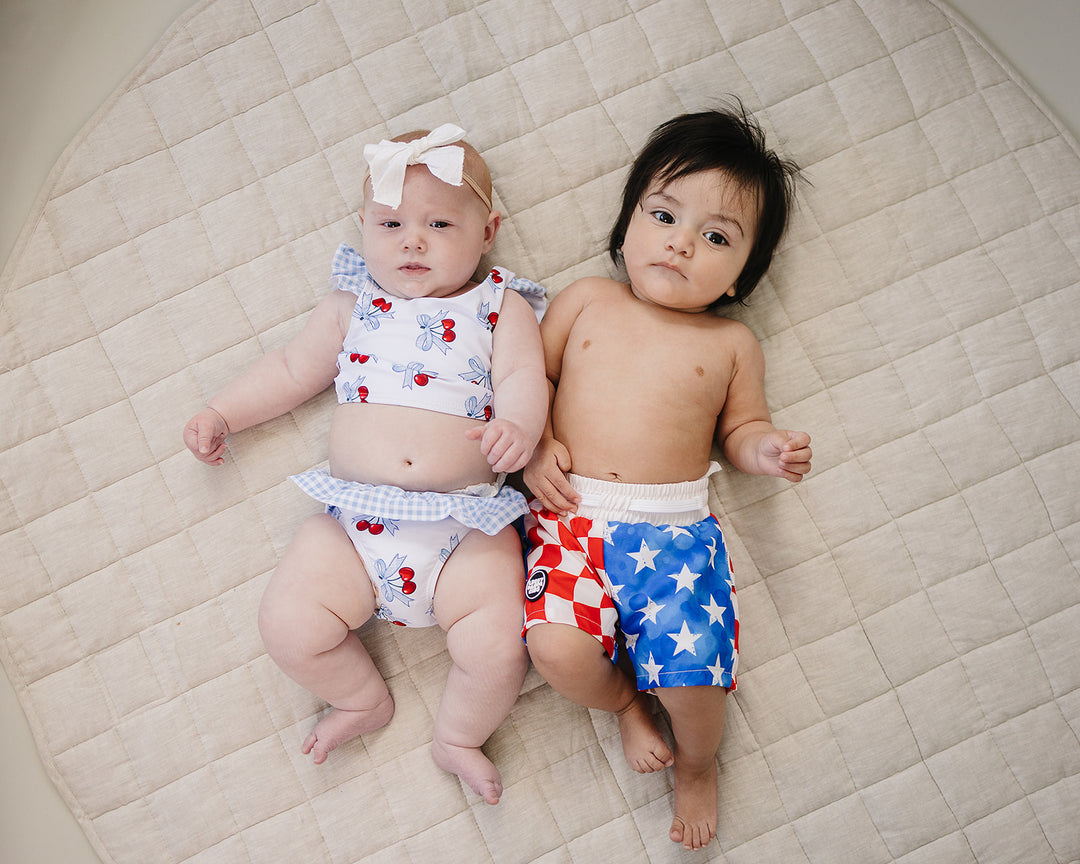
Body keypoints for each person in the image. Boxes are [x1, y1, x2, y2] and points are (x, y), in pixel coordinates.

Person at [183, 124, 548, 805]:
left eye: (440, 222)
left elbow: (528, 377)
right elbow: (291, 370)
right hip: (354, 528)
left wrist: (521, 424)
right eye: (391, 223)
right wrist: (223, 412)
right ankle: (361, 699)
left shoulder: (501, 307)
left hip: (464, 526)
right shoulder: (353, 306)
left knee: (499, 646)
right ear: (363, 226)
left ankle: (460, 735)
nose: (413, 240)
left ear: (488, 229)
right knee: (287, 623)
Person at [521, 104, 812, 848]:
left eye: (716, 237)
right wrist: (535, 443)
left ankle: (699, 762)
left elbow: (740, 431)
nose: (682, 243)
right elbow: (529, 379)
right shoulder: (588, 300)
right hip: (571, 518)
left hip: (674, 536)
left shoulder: (732, 344)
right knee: (555, 650)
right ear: (627, 224)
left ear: (745, 274)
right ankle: (624, 704)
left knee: (694, 679)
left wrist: (766, 451)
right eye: (663, 215)